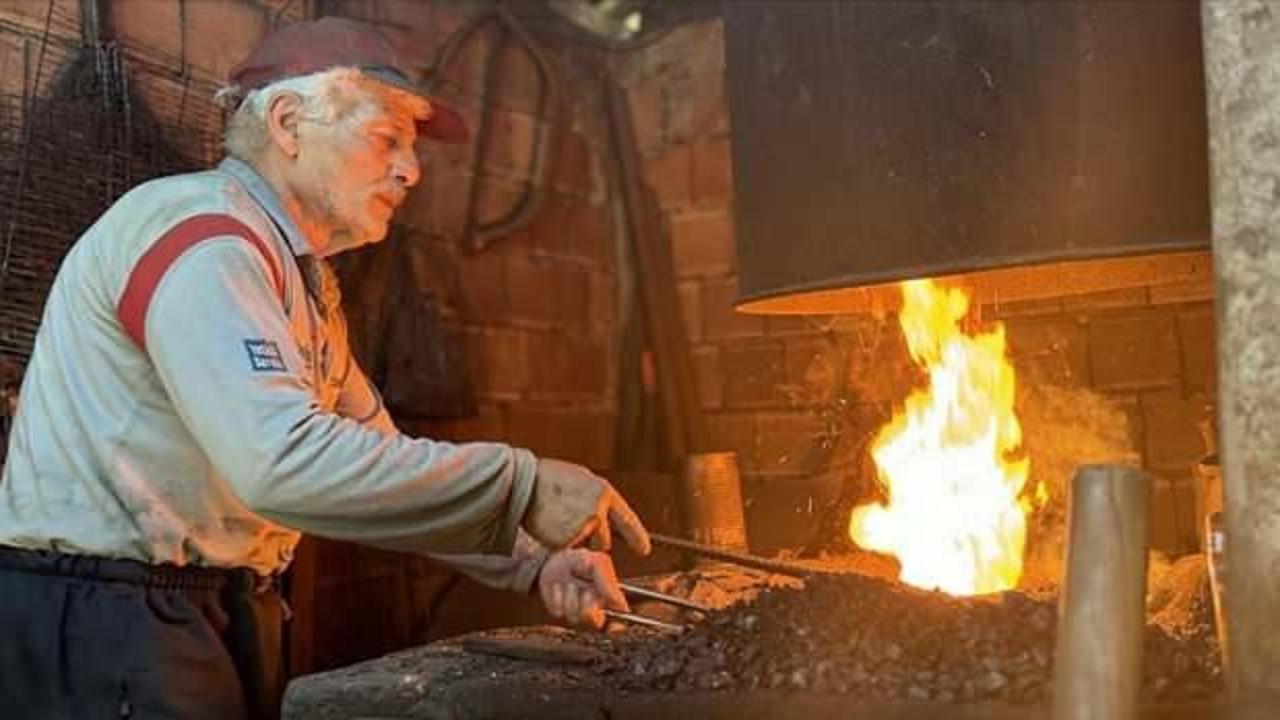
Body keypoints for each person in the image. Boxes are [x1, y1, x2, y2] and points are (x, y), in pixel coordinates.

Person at [0, 16, 649, 720]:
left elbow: (376, 458)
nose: (411, 169)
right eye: (385, 137)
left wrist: (534, 559)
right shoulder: (202, 237)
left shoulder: (298, 279)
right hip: (108, 617)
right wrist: (520, 482)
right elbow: (279, 463)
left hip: (206, 607)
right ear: (287, 120)